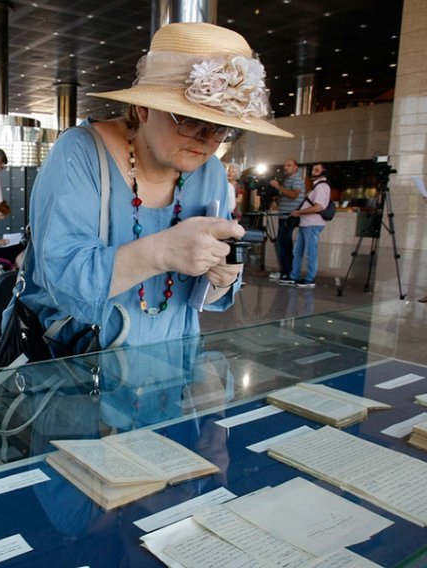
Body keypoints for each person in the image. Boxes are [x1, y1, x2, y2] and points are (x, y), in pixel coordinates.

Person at [15, 22, 293, 351]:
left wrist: (221, 277)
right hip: (81, 366)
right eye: (191, 120)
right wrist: (163, 251)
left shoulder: (211, 172)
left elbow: (206, 294)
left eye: (222, 128)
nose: (207, 140)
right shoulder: (80, 152)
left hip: (171, 359)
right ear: (144, 108)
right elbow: (62, 280)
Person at [283, 163, 331, 288]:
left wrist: (299, 212)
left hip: (313, 224)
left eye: (317, 170)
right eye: (313, 169)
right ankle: (294, 276)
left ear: (324, 172)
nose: (314, 172)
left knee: (310, 252)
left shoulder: (322, 187)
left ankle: (310, 279)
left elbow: (318, 207)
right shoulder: (316, 187)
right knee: (298, 251)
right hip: (306, 224)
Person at [269, 159, 305, 281]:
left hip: (290, 217)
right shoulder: (287, 180)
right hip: (283, 216)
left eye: (289, 165)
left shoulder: (297, 180)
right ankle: (284, 271)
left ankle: (288, 272)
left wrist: (278, 187)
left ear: (296, 168)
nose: (285, 167)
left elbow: (294, 195)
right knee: (282, 244)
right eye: (285, 165)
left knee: (284, 244)